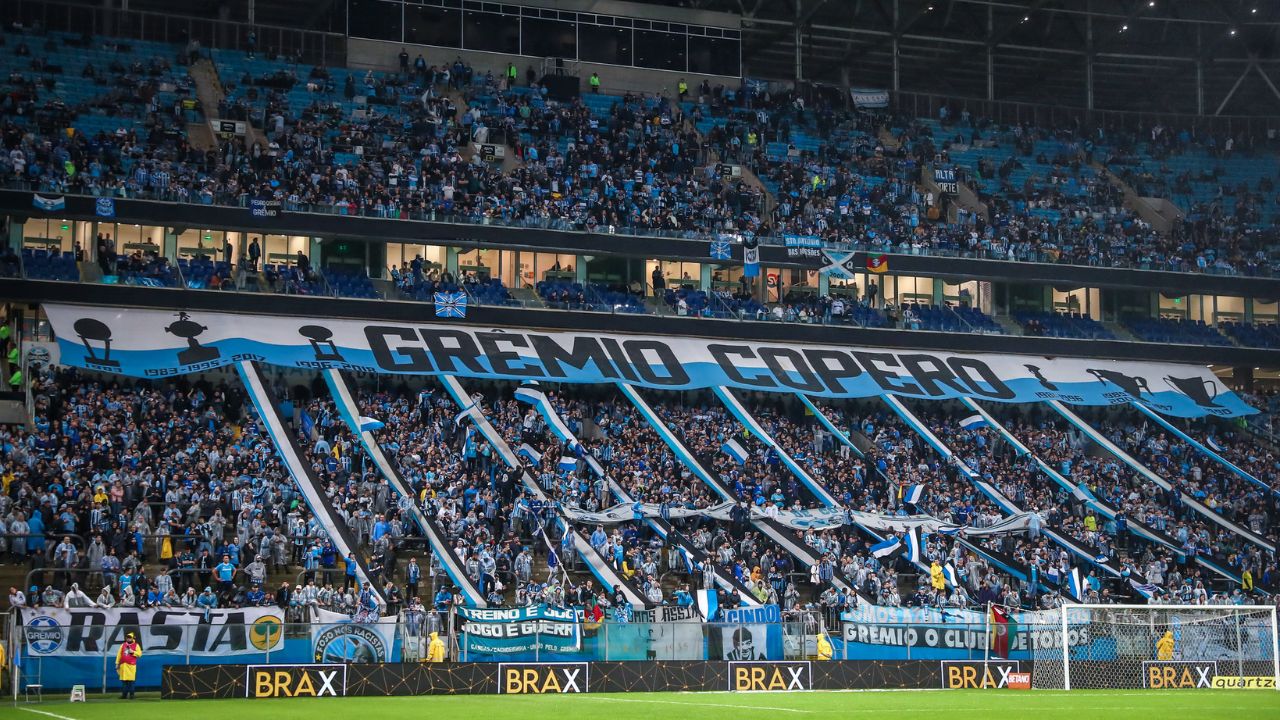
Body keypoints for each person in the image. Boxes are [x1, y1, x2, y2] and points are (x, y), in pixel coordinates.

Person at [116, 631, 142, 699]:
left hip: (131, 666)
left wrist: (133, 652)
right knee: (124, 681)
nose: (128, 639)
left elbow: (139, 654)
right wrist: (117, 663)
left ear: (133, 638)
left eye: (130, 638)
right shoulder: (123, 645)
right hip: (123, 666)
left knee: (131, 681)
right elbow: (119, 654)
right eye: (127, 637)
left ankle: (132, 695)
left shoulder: (136, 645)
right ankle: (124, 695)